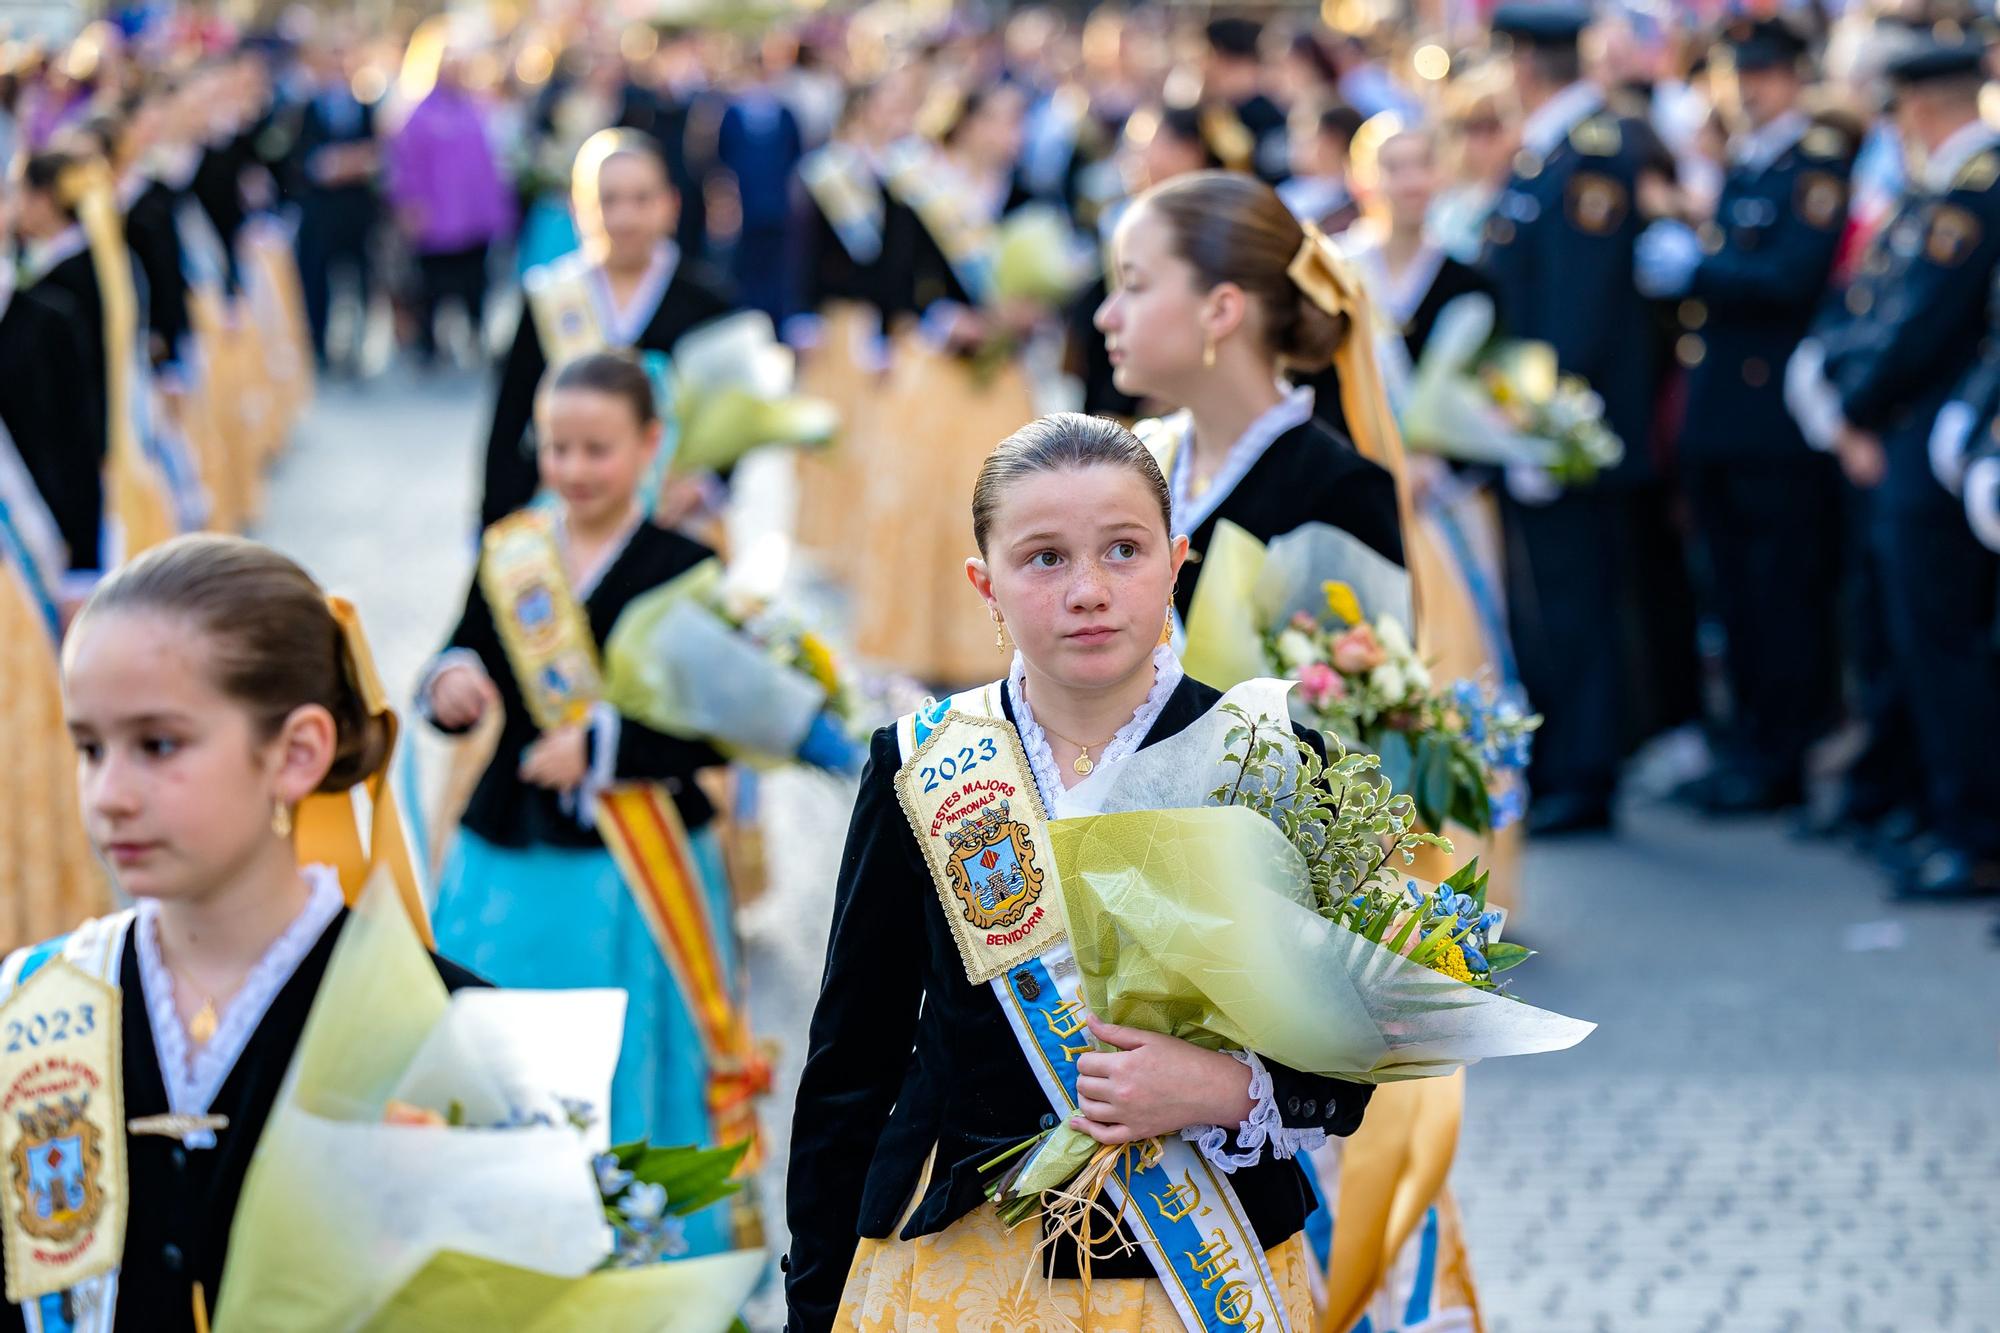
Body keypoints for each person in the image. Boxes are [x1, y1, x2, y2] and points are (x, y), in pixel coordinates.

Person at [784, 413, 1373, 1331]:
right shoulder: (922, 761)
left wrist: (1220, 1089)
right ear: (987, 584)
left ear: (1177, 562)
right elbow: (851, 1059)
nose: (1089, 590)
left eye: (1124, 550)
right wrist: (812, 1299)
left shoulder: (1278, 761)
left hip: (1200, 1273)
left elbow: (1354, 1049)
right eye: (1044, 558)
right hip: (959, 1260)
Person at [0, 534, 483, 1333]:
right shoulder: (33, 1011)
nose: (109, 794)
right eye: (90, 747)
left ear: (295, 753)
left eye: (158, 744)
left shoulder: (448, 1027)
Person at [423, 352, 739, 1251]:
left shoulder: (685, 564)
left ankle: (643, 1243)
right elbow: (463, 647)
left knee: (637, 1051)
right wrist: (453, 685)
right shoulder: (514, 551)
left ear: (649, 445)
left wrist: (607, 748)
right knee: (500, 1043)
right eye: (556, 447)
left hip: (639, 863)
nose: (571, 468)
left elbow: (724, 724)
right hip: (513, 852)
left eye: (596, 449)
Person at [1633, 18, 1854, 815]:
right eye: (1736, 73)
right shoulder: (1747, 162)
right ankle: (1752, 744)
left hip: (1775, 417)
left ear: (1796, 76)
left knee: (1780, 591)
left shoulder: (1813, 164)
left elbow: (1793, 275)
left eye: (1762, 72)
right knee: (1734, 591)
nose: (1747, 87)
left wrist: (1704, 266)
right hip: (1724, 410)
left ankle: (1780, 756)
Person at [1476, 3, 1672, 834]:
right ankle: (1571, 762)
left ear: (1523, 63)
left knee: (1575, 599)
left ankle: (1587, 773)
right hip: (1541, 417)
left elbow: (1576, 313)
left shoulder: (1589, 152)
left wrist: (1543, 423)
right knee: (1554, 600)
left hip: (1566, 424)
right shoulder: (1554, 150)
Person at [1821, 36, 2000, 899]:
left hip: (1936, 444)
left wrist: (1853, 406)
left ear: (1921, 109)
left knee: (1942, 641)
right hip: (1914, 437)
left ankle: (1972, 830)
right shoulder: (1942, 188)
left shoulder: (1975, 187)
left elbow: (1924, 324)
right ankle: (1942, 810)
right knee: (1915, 638)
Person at [1092, 169, 1404, 625]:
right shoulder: (1147, 455)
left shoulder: (1340, 490)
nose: (1107, 315)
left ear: (1220, 310)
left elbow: (1356, 687)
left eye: (1134, 285)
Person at [479, 129, 734, 530]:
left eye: (642, 199)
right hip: (565, 516)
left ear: (671, 205)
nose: (625, 216)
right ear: (577, 207)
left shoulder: (705, 301)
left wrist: (710, 483)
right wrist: (494, 522)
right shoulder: (549, 298)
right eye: (607, 199)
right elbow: (509, 420)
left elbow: (731, 413)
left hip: (671, 522)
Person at [386, 54, 514, 370]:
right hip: (436, 219)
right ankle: (429, 345)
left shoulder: (473, 109)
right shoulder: (420, 116)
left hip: (472, 219)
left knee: (474, 281)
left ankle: (474, 335)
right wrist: (410, 207)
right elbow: (406, 166)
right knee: (432, 286)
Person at [288, 41, 380, 375]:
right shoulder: (307, 109)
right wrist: (329, 166)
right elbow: (301, 160)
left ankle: (356, 347)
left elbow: (375, 154)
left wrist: (350, 163)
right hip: (321, 214)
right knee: (317, 282)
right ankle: (319, 347)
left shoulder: (365, 106)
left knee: (359, 281)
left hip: (355, 212)